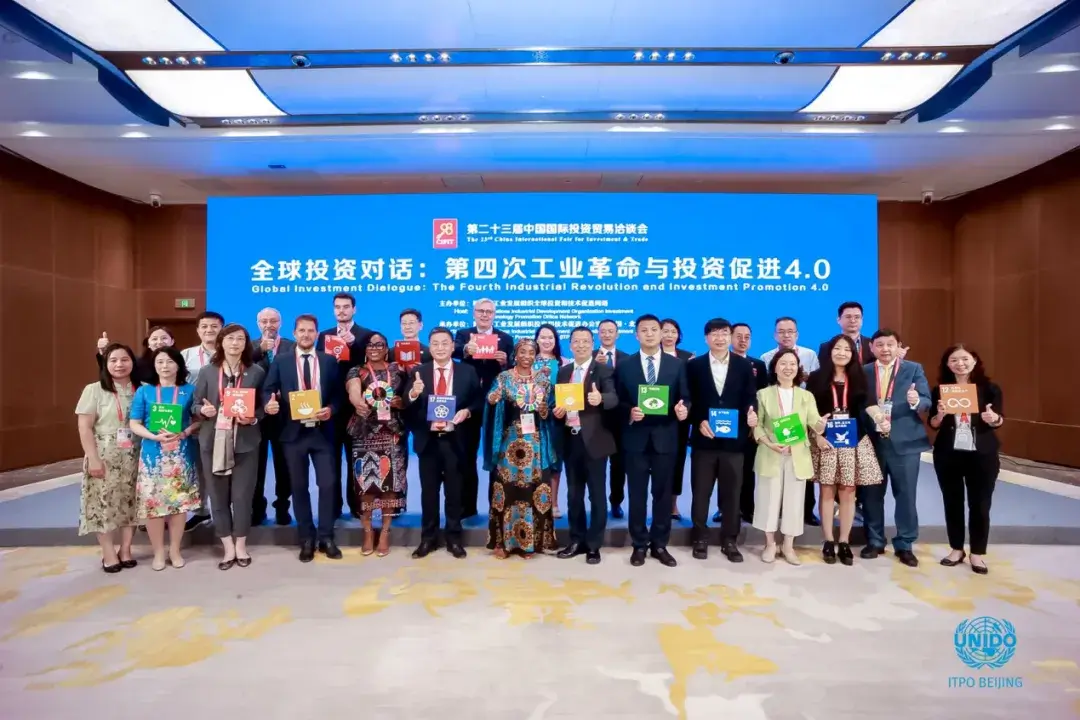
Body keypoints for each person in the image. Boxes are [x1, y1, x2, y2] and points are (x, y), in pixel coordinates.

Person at [264, 314, 343, 563]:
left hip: (322, 432)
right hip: (292, 433)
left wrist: (331, 409)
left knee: (328, 485)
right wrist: (269, 404)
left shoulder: (328, 361)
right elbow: (268, 389)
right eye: (301, 330)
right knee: (299, 487)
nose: (306, 335)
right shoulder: (282, 360)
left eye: (310, 331)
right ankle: (306, 538)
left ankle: (326, 537)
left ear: (317, 334)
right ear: (294, 333)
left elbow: (338, 395)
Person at [615, 314, 690, 568]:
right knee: (636, 495)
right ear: (636, 335)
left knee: (662, 495)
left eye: (654, 330)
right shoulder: (625, 365)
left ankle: (659, 544)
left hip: (665, 438)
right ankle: (639, 544)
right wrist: (629, 412)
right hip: (635, 440)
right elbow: (617, 400)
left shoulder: (676, 365)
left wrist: (684, 409)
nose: (649, 334)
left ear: (661, 333)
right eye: (644, 330)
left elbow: (686, 397)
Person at [404, 327, 483, 559]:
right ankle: (428, 539)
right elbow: (407, 405)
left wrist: (467, 411)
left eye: (444, 343)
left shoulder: (467, 371)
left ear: (452, 346)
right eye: (435, 344)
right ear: (430, 347)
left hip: (455, 441)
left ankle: (454, 539)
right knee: (429, 493)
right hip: (428, 441)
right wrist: (413, 393)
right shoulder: (419, 372)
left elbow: (478, 401)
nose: (440, 348)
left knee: (454, 492)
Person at [193, 323, 265, 570]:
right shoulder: (207, 372)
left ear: (246, 344)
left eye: (240, 339)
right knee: (218, 496)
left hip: (246, 442)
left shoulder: (255, 372)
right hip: (213, 442)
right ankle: (227, 548)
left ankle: (241, 545)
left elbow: (262, 407)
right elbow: (195, 405)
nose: (235, 343)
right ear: (221, 342)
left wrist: (253, 418)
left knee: (242, 497)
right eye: (230, 338)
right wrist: (202, 410)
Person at [806, 335, 882, 566]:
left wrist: (880, 418)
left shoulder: (859, 376)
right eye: (837, 348)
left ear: (853, 354)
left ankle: (845, 541)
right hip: (827, 441)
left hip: (853, 440)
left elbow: (869, 403)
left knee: (849, 490)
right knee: (827, 490)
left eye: (847, 350)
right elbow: (810, 411)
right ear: (829, 352)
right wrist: (817, 436)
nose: (842, 353)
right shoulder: (817, 377)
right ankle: (828, 540)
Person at [686, 318, 758, 563]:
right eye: (714, 334)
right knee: (701, 493)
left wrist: (752, 412)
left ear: (730, 337)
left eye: (724, 333)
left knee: (732, 494)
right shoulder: (694, 366)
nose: (719, 338)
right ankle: (700, 538)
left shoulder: (743, 365)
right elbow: (688, 398)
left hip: (733, 442)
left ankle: (730, 540)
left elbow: (750, 396)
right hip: (704, 441)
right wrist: (698, 420)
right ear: (706, 338)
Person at [928, 345, 1004, 575]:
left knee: (980, 504)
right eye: (954, 360)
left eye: (964, 359)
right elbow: (933, 423)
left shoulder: (990, 389)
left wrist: (993, 418)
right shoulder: (940, 390)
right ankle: (956, 548)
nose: (959, 364)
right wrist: (940, 414)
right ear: (947, 364)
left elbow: (999, 420)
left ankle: (977, 552)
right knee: (952, 502)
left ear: (974, 361)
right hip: (948, 453)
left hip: (981, 454)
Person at [862, 329, 931, 567]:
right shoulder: (864, 371)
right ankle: (875, 540)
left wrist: (916, 401)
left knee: (906, 495)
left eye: (890, 344)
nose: (885, 349)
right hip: (872, 442)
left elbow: (927, 401)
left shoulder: (913, 369)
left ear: (898, 346)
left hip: (906, 442)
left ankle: (905, 544)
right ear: (871, 348)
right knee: (872, 495)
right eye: (880, 345)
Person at [751, 349, 827, 565]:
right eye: (783, 363)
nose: (788, 368)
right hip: (770, 452)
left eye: (792, 363)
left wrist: (822, 424)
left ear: (798, 368)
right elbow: (757, 425)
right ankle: (770, 544)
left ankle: (788, 545)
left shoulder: (806, 396)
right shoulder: (763, 394)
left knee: (794, 502)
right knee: (768, 500)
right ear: (775, 367)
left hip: (797, 455)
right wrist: (769, 443)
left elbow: (815, 424)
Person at [128, 347, 201, 571]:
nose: (165, 366)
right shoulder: (145, 391)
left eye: (169, 361)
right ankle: (158, 551)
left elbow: (199, 419)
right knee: (154, 506)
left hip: (181, 455)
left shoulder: (189, 390)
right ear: (154, 365)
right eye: (160, 362)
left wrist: (185, 432)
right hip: (153, 456)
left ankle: (175, 550)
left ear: (178, 365)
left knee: (179, 505)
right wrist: (153, 436)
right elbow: (134, 423)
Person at [484, 338, 557, 558]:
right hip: (509, 443)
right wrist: (492, 399)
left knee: (532, 490)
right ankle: (504, 543)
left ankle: (529, 544)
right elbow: (491, 400)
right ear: (515, 354)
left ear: (536, 355)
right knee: (507, 490)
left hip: (535, 444)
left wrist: (544, 409)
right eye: (522, 352)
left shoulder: (542, 380)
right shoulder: (504, 378)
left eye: (531, 352)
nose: (527, 356)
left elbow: (549, 412)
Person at [552, 326, 617, 564]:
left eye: (585, 341)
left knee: (597, 495)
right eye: (576, 342)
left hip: (595, 441)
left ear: (592, 344)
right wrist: (557, 412)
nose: (581, 345)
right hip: (570, 439)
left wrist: (601, 398)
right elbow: (558, 401)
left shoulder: (603, 370)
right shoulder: (563, 371)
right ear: (570, 345)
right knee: (574, 495)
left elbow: (614, 398)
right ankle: (576, 540)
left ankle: (594, 545)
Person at [75, 343, 141, 573]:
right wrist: (93, 459)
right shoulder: (93, 390)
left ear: (133, 362)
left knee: (131, 502)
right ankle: (108, 553)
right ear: (105, 363)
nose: (119, 364)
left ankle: (126, 549)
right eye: (113, 360)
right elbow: (84, 427)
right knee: (102, 503)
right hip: (104, 454)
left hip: (135, 453)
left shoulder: (141, 389)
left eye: (125, 359)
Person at [345, 332, 407, 557]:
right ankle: (368, 531)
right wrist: (358, 402)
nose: (375, 348)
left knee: (390, 487)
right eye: (370, 345)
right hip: (364, 434)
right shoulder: (357, 371)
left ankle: (385, 532)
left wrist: (401, 402)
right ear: (365, 349)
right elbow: (353, 390)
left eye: (380, 344)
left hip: (392, 433)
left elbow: (408, 398)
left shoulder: (399, 370)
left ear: (386, 348)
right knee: (366, 487)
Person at [316, 292, 375, 521]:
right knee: (330, 460)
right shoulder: (324, 336)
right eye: (338, 307)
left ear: (354, 309)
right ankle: (333, 506)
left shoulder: (366, 335)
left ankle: (357, 505)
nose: (342, 311)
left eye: (346, 307)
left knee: (356, 459)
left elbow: (372, 365)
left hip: (356, 408)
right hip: (330, 407)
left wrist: (354, 345)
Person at [453, 298, 514, 518]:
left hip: (495, 403)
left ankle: (495, 506)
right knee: (466, 455)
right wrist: (465, 349)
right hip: (468, 402)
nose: (485, 315)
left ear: (494, 314)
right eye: (481, 311)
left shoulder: (505, 338)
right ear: (474, 313)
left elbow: (513, 368)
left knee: (495, 455)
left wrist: (505, 362)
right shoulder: (463, 334)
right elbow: (452, 351)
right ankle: (467, 507)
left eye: (489, 311)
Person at [760, 316, 821, 526]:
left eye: (790, 331)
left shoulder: (809, 355)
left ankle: (807, 510)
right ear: (774, 335)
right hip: (776, 417)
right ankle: (776, 510)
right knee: (776, 467)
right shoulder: (766, 357)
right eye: (781, 331)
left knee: (801, 464)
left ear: (797, 334)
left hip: (802, 416)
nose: (786, 335)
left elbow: (815, 384)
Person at [180, 310, 225, 531]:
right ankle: (201, 511)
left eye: (214, 326)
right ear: (198, 330)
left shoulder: (230, 352)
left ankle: (225, 512)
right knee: (198, 467)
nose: (209, 330)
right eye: (205, 326)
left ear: (221, 329)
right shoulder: (185, 355)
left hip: (225, 419)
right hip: (194, 418)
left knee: (225, 467)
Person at [250, 307, 293, 526]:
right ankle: (257, 507)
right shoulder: (249, 347)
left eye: (273, 321)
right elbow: (241, 370)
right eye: (264, 321)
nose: (269, 325)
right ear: (258, 324)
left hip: (284, 414)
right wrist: (259, 351)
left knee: (284, 464)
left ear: (280, 323)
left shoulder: (291, 346)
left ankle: (282, 505)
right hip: (256, 414)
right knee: (255, 465)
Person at [727, 322, 768, 524]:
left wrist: (756, 424)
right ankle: (724, 509)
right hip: (726, 422)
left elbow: (762, 396)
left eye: (747, 337)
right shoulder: (722, 362)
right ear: (730, 338)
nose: (743, 340)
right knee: (726, 470)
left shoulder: (758, 365)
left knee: (748, 469)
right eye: (739, 336)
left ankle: (747, 508)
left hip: (750, 424)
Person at [596, 318, 630, 518]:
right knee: (597, 465)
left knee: (619, 465)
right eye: (603, 331)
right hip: (597, 420)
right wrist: (595, 366)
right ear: (598, 334)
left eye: (611, 331)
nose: (607, 334)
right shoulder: (590, 357)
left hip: (620, 421)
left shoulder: (627, 359)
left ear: (617, 334)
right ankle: (597, 502)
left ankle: (616, 502)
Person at [661, 318, 694, 521]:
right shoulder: (650, 355)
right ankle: (658, 503)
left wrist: (685, 408)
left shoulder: (687, 358)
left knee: (677, 461)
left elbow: (691, 389)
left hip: (679, 419)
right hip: (654, 417)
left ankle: (673, 504)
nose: (669, 335)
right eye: (665, 331)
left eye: (673, 331)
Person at [534, 323, 568, 518]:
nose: (547, 341)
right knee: (533, 461)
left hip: (556, 419)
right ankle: (535, 502)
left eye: (550, 337)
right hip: (532, 420)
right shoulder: (527, 362)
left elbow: (570, 392)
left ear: (555, 341)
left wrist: (562, 408)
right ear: (537, 340)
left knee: (555, 462)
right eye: (543, 337)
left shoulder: (564, 363)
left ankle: (553, 503)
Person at [95, 326, 173, 385]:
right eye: (154, 339)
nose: (159, 342)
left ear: (172, 341)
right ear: (148, 344)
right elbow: (110, 373)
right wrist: (103, 352)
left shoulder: (179, 361)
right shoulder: (137, 363)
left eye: (164, 338)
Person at [818, 302, 875, 366]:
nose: (853, 321)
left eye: (857, 317)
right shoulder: (826, 347)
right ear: (838, 320)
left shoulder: (873, 344)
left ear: (862, 320)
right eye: (848, 317)